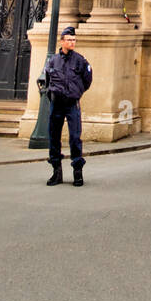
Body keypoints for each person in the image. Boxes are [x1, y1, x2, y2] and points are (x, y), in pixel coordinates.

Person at [40, 26, 93, 187]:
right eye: (69, 40)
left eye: (74, 40)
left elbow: (87, 80)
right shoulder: (53, 60)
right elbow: (46, 80)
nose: (72, 42)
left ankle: (77, 171)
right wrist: (52, 94)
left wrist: (77, 92)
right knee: (54, 137)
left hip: (71, 103)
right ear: (62, 41)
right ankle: (56, 171)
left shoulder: (80, 60)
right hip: (56, 103)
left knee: (75, 137)